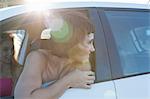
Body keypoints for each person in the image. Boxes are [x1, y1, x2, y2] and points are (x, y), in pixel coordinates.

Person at [14, 10, 95, 99]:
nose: (93, 49)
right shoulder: (38, 58)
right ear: (72, 43)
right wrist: (68, 81)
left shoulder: (82, 65)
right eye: (89, 42)